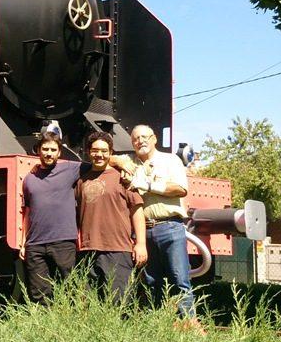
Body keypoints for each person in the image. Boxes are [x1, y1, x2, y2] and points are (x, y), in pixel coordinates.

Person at [118, 125, 194, 320]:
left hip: (170, 227)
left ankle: (188, 324)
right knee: (152, 281)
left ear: (154, 139)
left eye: (144, 137)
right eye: (135, 139)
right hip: (145, 230)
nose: (140, 141)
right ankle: (159, 324)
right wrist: (118, 161)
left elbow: (180, 189)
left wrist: (149, 185)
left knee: (180, 280)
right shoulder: (131, 162)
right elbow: (108, 158)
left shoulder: (170, 160)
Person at [18, 129, 91, 303]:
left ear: (59, 152)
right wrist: (23, 243)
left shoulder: (70, 169)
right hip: (35, 243)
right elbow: (28, 212)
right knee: (39, 293)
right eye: (45, 149)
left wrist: (123, 162)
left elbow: (98, 163)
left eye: (52, 150)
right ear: (38, 150)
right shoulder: (29, 179)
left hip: (63, 240)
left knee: (73, 286)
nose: (49, 154)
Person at [77, 131, 147, 302]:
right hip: (88, 249)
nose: (99, 155)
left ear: (111, 153)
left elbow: (137, 212)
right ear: (88, 152)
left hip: (118, 248)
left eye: (104, 151)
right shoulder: (81, 180)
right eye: (95, 150)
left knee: (120, 302)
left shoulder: (123, 178)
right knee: (89, 303)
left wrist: (141, 244)